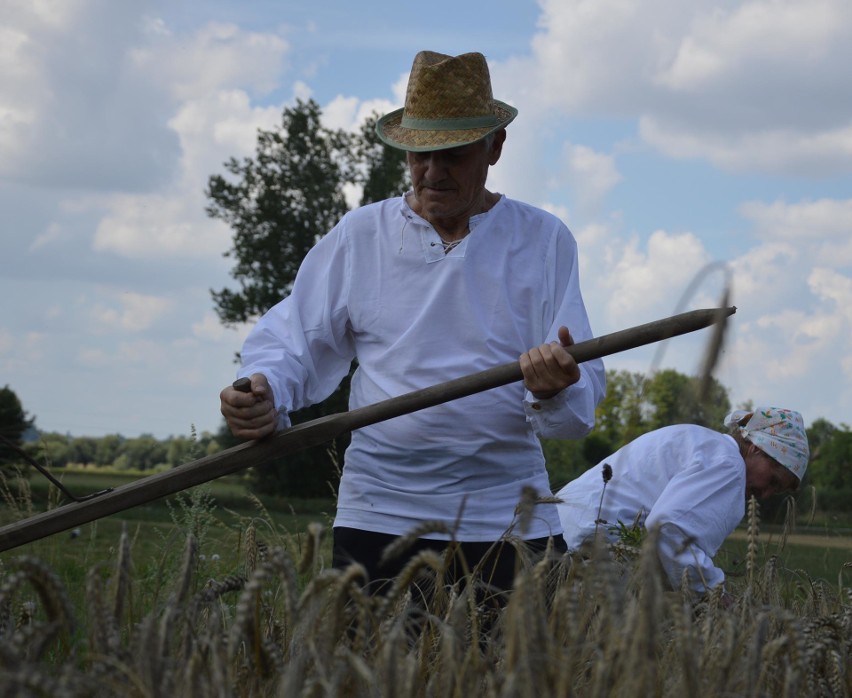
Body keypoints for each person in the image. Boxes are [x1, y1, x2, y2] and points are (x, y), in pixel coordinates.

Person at [220, 50, 606, 593]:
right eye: (419, 155)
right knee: (371, 676)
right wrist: (264, 391)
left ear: (494, 147)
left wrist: (554, 390)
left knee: (514, 680)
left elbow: (576, 411)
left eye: (453, 154)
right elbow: (293, 342)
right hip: (377, 515)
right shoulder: (360, 237)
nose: (433, 172)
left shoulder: (543, 240)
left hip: (508, 520)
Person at [555, 407, 810, 595]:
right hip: (585, 557)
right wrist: (715, 595)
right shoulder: (729, 465)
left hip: (554, 534)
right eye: (774, 481)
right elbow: (668, 528)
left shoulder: (701, 441)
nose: (765, 494)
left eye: (776, 491)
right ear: (756, 448)